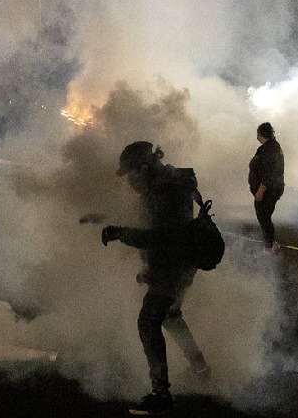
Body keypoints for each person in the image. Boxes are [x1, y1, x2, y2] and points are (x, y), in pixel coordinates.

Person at [101, 141, 208, 416]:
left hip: (173, 266)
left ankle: (161, 395)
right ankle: (200, 367)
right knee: (171, 316)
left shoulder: (163, 191)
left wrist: (118, 233)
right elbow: (161, 231)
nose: (130, 181)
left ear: (144, 167)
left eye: (132, 173)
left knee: (148, 322)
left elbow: (159, 237)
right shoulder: (171, 183)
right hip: (181, 264)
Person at [248, 122, 285, 252]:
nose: (256, 137)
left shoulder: (270, 149)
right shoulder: (269, 147)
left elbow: (270, 173)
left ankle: (269, 246)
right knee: (264, 215)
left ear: (261, 134)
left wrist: (261, 190)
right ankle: (269, 243)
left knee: (264, 216)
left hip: (269, 190)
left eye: (258, 134)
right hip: (269, 189)